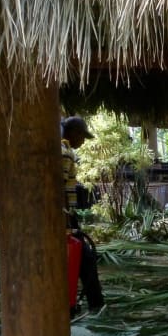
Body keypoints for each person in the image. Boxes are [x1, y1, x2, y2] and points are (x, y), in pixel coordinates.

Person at [61, 115, 104, 313]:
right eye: (82, 136)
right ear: (74, 133)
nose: (83, 141)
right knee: (86, 259)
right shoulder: (65, 152)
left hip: (66, 217)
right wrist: (65, 220)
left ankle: (88, 303)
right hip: (63, 218)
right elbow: (58, 185)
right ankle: (94, 305)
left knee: (84, 259)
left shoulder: (64, 150)